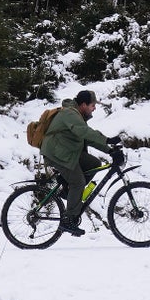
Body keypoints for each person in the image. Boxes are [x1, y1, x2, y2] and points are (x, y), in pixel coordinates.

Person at [39, 89, 121, 236]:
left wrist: (109, 150)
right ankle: (68, 220)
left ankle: (68, 191)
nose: (94, 108)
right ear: (83, 104)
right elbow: (84, 132)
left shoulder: (77, 115)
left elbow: (87, 138)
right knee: (78, 182)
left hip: (67, 152)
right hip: (56, 153)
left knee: (94, 163)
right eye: (92, 105)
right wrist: (107, 139)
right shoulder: (69, 113)